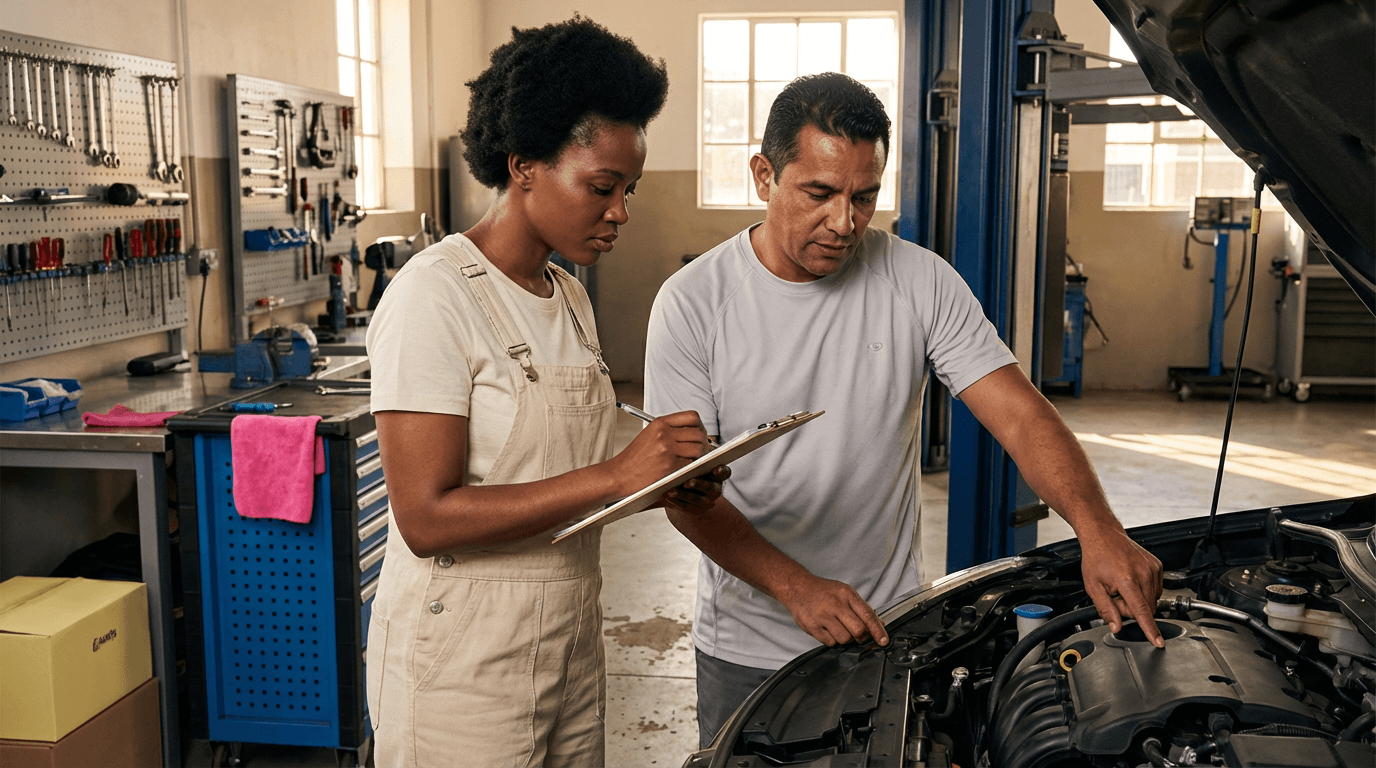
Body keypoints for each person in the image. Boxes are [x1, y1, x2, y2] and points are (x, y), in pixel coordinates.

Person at [643, 72, 1165, 748]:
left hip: (888, 633)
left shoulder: (917, 280)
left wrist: (1098, 528)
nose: (844, 222)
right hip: (748, 647)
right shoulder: (692, 303)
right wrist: (797, 588)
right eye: (820, 194)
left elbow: (1019, 415)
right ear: (763, 175)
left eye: (865, 197)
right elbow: (684, 494)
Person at [365, 17, 724, 767]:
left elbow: (556, 476)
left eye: (629, 188)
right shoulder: (433, 297)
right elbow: (425, 517)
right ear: (524, 164)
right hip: (462, 663)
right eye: (602, 187)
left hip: (568, 637)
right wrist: (618, 474)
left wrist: (654, 486)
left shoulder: (568, 296)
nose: (620, 210)